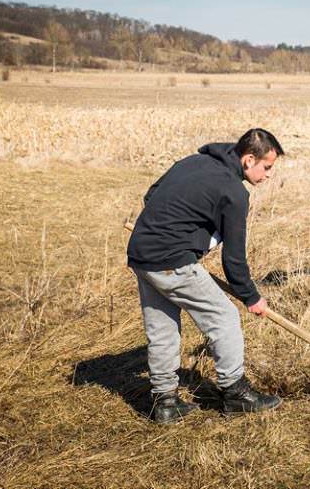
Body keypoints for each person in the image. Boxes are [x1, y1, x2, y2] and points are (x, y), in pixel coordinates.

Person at [127, 129, 284, 424]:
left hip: (140, 253)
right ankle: (235, 393)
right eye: (267, 167)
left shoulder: (193, 161)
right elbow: (234, 260)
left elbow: (152, 195)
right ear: (249, 159)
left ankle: (165, 402)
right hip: (171, 262)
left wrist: (191, 235)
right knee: (224, 318)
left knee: (161, 327)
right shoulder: (234, 193)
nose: (268, 175)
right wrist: (251, 297)